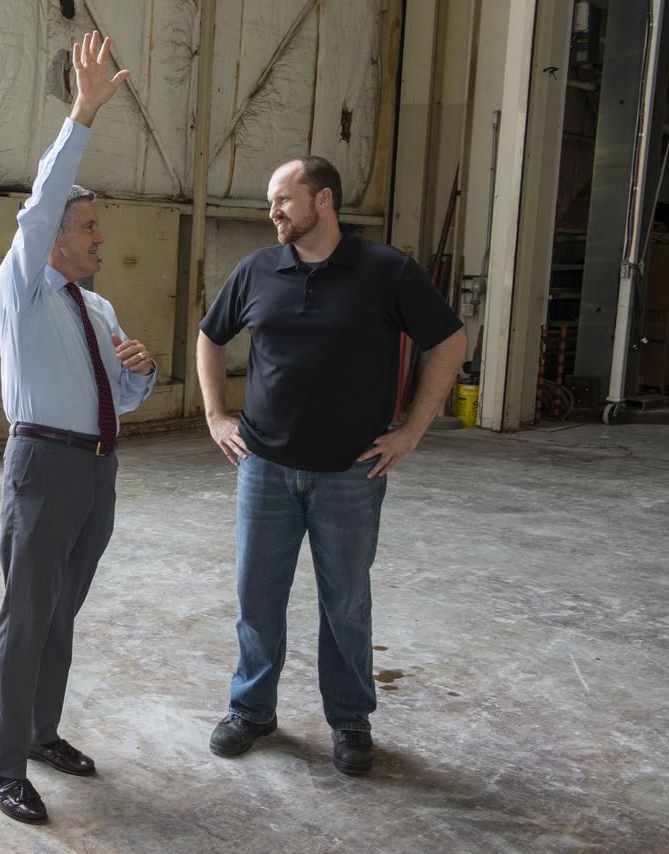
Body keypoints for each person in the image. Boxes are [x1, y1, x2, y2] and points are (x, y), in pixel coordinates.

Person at [196, 156, 466, 776]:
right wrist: (216, 416)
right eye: (271, 202)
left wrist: (412, 430)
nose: (273, 212)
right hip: (263, 465)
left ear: (323, 200)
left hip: (351, 471)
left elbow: (448, 340)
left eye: (283, 199)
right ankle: (252, 709)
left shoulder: (386, 271)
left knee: (345, 601)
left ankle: (349, 720)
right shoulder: (257, 269)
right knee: (257, 596)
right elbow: (212, 336)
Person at [0, 31, 157, 824]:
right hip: (42, 467)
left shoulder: (98, 307)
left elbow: (121, 398)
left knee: (61, 611)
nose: (98, 238)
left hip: (96, 469)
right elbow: (44, 197)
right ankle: (2, 762)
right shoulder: (22, 288)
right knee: (26, 616)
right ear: (55, 235)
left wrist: (141, 374)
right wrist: (82, 112)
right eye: (87, 229)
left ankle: (44, 732)